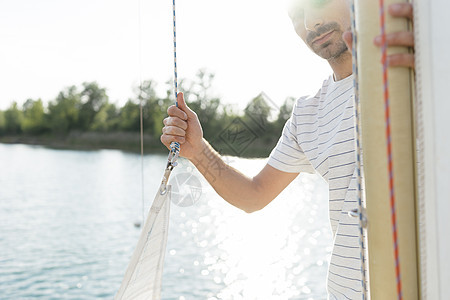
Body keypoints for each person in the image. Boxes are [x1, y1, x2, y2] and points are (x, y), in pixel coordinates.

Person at [161, 0, 415, 298]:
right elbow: (253, 195)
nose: (309, 23)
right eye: (296, 14)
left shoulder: (413, 62)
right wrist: (197, 150)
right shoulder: (308, 113)